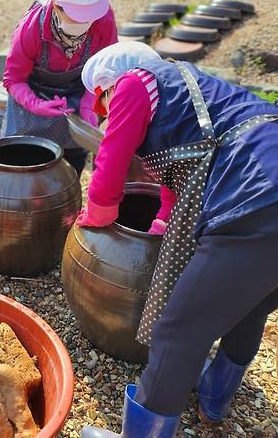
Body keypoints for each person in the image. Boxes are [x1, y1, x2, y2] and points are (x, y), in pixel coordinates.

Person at [76, 42, 278, 437]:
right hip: (268, 178)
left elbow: (111, 161)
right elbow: (180, 175)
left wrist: (96, 214)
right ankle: (214, 399)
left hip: (257, 197)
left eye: (102, 105)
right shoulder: (186, 85)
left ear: (108, 85)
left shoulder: (134, 84)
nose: (104, 114)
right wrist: (161, 224)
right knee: (250, 307)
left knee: (178, 332)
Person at [2, 0, 117, 175]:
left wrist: (90, 101)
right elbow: (13, 79)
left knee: (72, 163)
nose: (85, 22)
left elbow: (105, 70)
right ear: (57, 6)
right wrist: (34, 103)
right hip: (32, 96)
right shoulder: (31, 28)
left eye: (89, 16)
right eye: (78, 16)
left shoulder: (104, 20)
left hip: (78, 96)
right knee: (24, 162)